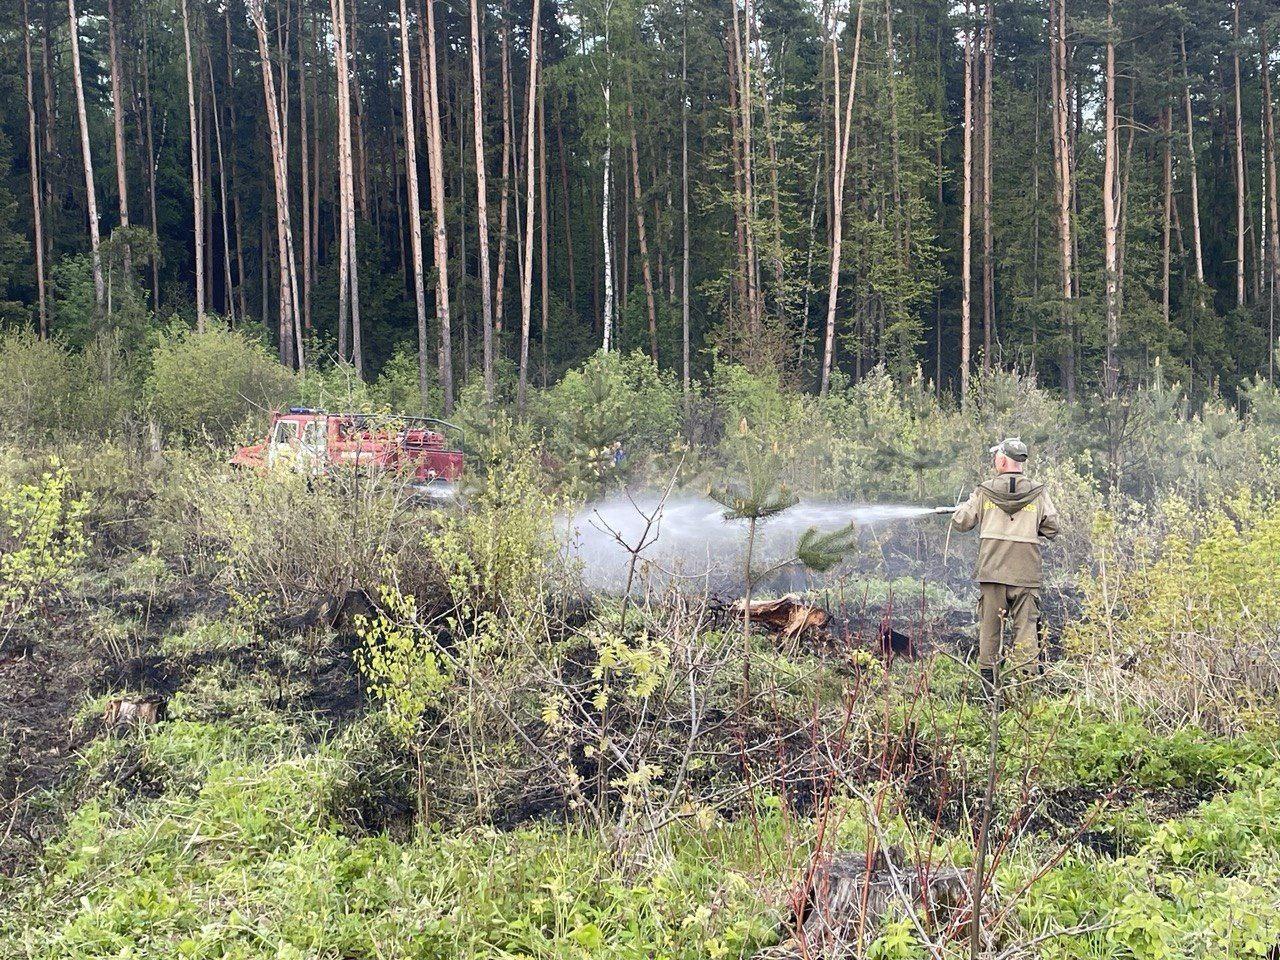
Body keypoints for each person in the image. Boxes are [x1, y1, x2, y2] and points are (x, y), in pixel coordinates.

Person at [951, 438, 1060, 694]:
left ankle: (989, 690)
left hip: (993, 572)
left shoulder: (984, 490)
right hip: (1026, 573)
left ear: (1002, 460)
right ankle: (1025, 690)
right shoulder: (1039, 492)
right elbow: (1053, 528)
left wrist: (968, 504)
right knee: (1026, 630)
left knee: (990, 629)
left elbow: (961, 522)